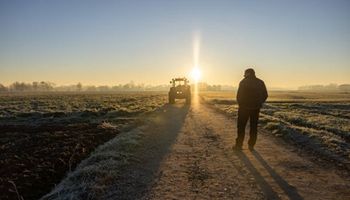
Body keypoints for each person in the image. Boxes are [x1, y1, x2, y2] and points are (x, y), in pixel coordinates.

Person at [233, 68, 268, 151]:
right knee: (254, 127)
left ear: (248, 73)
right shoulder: (260, 82)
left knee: (241, 126)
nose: (244, 75)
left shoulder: (243, 82)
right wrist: (259, 103)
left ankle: (239, 145)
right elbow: (265, 95)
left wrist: (241, 104)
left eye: (245, 73)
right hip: (256, 108)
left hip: (244, 108)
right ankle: (251, 145)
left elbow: (239, 96)